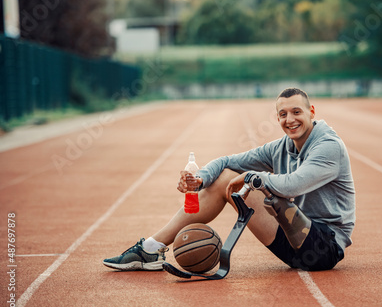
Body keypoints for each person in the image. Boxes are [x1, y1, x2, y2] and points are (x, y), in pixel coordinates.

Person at [103, 87, 355, 272]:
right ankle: (151, 248)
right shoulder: (281, 147)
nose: (290, 120)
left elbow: (295, 184)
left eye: (296, 112)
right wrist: (199, 180)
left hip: (323, 246)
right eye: (282, 114)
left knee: (256, 185)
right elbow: (226, 162)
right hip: (291, 241)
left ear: (311, 112)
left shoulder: (328, 146)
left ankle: (150, 250)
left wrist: (253, 177)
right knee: (224, 177)